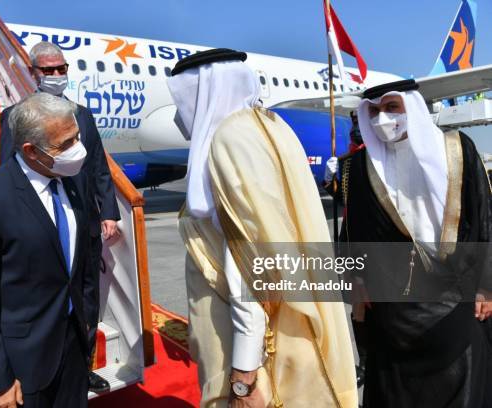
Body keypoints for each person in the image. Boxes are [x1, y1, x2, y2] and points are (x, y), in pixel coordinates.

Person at [168, 48, 357, 407]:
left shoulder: (229, 141)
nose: (181, 114)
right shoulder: (268, 127)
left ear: (205, 92)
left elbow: (248, 264)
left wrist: (243, 374)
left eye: (185, 100)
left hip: (248, 341)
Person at [338, 79, 492, 407]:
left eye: (392, 107)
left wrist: (488, 287)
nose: (382, 118)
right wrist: (355, 281)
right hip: (391, 318)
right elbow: (350, 236)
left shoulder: (457, 150)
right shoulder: (359, 168)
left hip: (455, 308)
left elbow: (484, 218)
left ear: (413, 108)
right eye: (375, 111)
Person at [0, 93, 92, 408]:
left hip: (73, 348)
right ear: (31, 150)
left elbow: (82, 263)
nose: (77, 150)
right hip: (23, 364)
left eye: (76, 137)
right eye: (65, 144)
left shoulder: (71, 181)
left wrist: (88, 320)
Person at [0, 41, 120, 394]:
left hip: (84, 221)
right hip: (44, 225)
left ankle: (83, 368)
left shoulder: (82, 114)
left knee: (87, 298)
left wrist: (108, 213)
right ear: (33, 73)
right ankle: (44, 373)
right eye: (47, 70)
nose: (56, 75)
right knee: (48, 299)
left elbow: (98, 167)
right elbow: (9, 171)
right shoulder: (16, 116)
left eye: (61, 68)